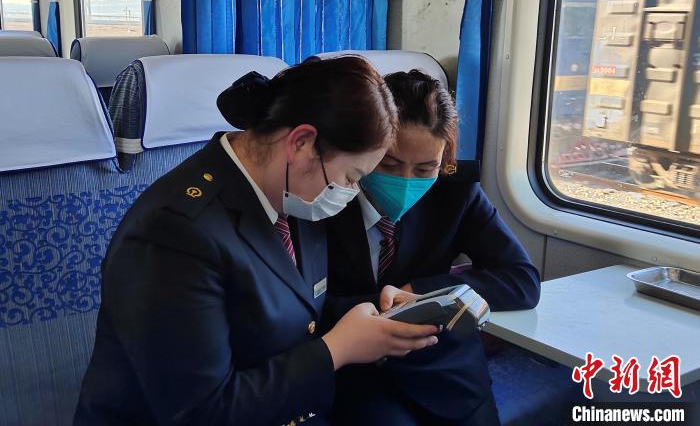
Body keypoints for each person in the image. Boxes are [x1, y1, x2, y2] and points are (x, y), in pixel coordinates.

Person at [73, 58, 441, 426]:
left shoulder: (292, 194)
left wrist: (376, 309)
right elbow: (202, 413)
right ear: (301, 143)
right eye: (350, 177)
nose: (349, 192)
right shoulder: (174, 234)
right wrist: (336, 350)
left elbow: (291, 310)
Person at [323, 69, 541, 426]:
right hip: (355, 369)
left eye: (425, 169)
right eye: (389, 164)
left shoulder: (455, 194)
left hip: (444, 365)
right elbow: (298, 304)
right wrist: (383, 311)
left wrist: (420, 293)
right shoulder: (323, 198)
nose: (405, 180)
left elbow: (522, 280)